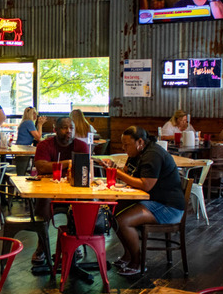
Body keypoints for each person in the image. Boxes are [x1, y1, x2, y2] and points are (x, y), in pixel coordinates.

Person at [99, 126, 185, 276]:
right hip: (152, 200)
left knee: (123, 220)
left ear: (140, 142)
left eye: (127, 145)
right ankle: (128, 255)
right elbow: (128, 172)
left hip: (168, 206)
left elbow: (146, 184)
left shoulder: (153, 154)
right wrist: (113, 167)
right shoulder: (136, 152)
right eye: (122, 144)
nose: (124, 148)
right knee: (112, 212)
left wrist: (116, 173)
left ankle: (138, 263)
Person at [30, 117, 91, 265]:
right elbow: (41, 167)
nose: (68, 131)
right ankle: (42, 245)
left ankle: (74, 243)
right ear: (55, 130)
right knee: (43, 202)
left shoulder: (81, 146)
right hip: (49, 190)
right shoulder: (45, 145)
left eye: (71, 128)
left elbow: (84, 169)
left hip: (73, 191)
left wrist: (55, 166)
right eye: (64, 128)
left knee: (82, 203)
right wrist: (68, 163)